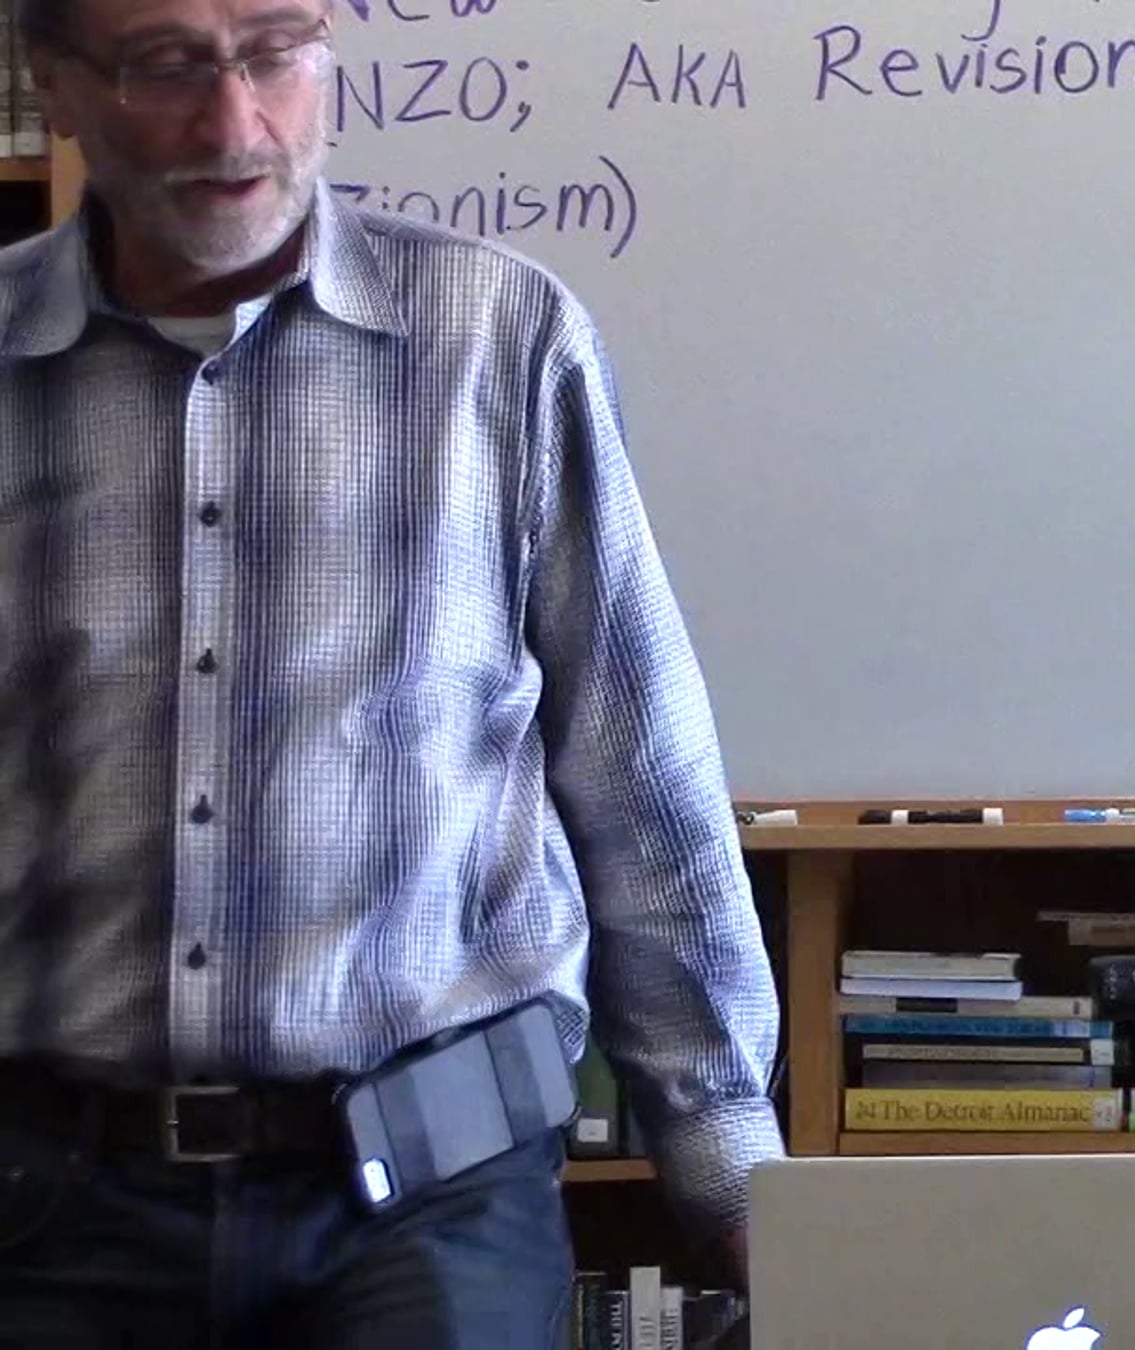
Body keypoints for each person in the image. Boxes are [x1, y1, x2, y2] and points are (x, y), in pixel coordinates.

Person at [0, 0, 784, 1344]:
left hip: (433, 1196)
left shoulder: (497, 334)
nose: (235, 121)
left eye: (274, 50)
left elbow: (636, 763)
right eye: (167, 65)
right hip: (50, 1202)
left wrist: (725, 1158)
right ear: (55, 86)